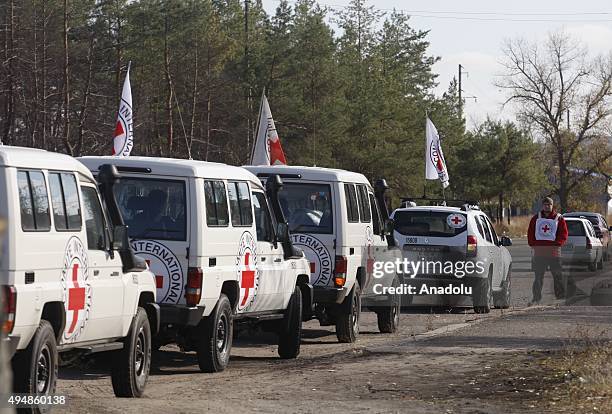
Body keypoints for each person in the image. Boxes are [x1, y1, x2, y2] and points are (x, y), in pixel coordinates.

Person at [527, 197, 576, 305]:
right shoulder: (535, 218)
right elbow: (530, 232)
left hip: (554, 253)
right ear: (542, 206)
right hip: (539, 253)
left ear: (552, 205)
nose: (547, 206)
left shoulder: (559, 218)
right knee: (538, 277)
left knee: (558, 276)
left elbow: (564, 234)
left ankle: (560, 298)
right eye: (545, 204)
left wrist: (557, 244)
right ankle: (536, 298)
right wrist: (533, 244)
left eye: (549, 204)